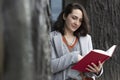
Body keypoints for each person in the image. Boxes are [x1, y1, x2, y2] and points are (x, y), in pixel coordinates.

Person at [50, 3, 104, 80]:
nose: (77, 23)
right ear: (64, 16)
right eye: (74, 18)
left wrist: (97, 70)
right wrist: (74, 57)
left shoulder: (86, 38)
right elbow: (50, 67)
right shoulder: (51, 38)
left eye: (80, 20)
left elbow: (88, 72)